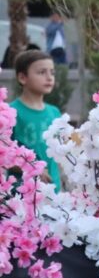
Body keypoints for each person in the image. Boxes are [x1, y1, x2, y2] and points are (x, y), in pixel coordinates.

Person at [10, 50, 63, 191]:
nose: (49, 77)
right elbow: (4, 156)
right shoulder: (10, 113)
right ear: (22, 77)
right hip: (23, 196)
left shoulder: (55, 112)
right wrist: (31, 168)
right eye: (41, 72)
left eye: (52, 72)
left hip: (53, 192)